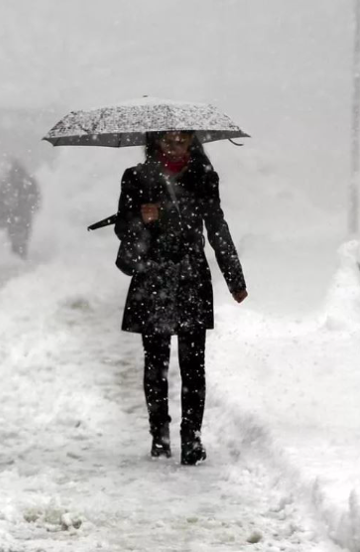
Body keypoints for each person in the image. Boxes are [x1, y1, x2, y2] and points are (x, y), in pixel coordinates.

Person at [114, 130, 248, 466]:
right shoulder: (136, 177)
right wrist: (141, 220)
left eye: (181, 139)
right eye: (167, 139)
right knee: (156, 363)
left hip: (191, 275)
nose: (174, 144)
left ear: (192, 141)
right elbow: (122, 227)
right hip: (152, 274)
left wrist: (234, 277)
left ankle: (192, 439)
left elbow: (216, 225)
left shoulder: (204, 177)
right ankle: (159, 435)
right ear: (155, 141)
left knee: (193, 365)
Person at [0, 159, 41, 259]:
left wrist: (1, 216)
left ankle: (18, 255)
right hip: (20, 213)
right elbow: (0, 200)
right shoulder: (27, 181)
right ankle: (19, 254)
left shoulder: (7, 183)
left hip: (15, 213)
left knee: (18, 236)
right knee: (21, 236)